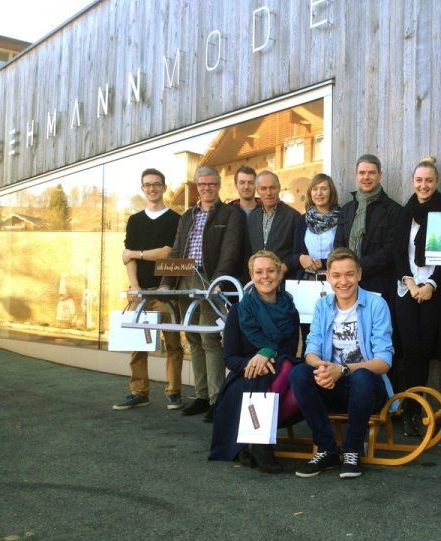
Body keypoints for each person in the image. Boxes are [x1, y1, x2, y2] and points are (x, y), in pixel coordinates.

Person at [288, 248, 394, 479]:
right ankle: (327, 449)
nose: (343, 281)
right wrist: (323, 368)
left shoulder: (376, 305)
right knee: (299, 373)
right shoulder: (323, 306)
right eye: (336, 275)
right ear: (328, 277)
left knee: (362, 376)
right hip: (332, 385)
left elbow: (384, 361)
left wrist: (343, 369)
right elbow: (311, 350)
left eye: (349, 274)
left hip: (367, 390)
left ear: (359, 275)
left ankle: (352, 450)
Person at [159, 166, 245, 423]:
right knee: (193, 337)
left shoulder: (231, 214)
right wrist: (165, 282)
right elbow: (176, 251)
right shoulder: (186, 216)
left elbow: (230, 249)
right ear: (197, 187)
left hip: (210, 280)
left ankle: (217, 400)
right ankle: (201, 395)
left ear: (218, 186)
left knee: (209, 338)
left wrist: (218, 281)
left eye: (211, 184)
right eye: (202, 184)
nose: (207, 188)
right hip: (185, 279)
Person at [209, 250, 300, 473]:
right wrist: (253, 362)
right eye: (258, 272)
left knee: (293, 369)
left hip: (278, 372)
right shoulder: (239, 310)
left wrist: (267, 353)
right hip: (245, 376)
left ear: (280, 274)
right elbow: (230, 358)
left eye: (271, 271)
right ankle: (260, 443)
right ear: (252, 275)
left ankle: (256, 439)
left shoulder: (291, 310)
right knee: (272, 374)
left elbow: (287, 352)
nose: (265, 276)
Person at [394, 156, 441, 436]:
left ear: (436, 182)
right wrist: (410, 282)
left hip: (434, 289)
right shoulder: (403, 213)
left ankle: (416, 409)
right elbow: (397, 253)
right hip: (406, 288)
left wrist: (430, 284)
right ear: (412, 182)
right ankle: (410, 410)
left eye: (429, 180)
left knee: (425, 350)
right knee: (409, 350)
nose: (423, 185)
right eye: (419, 180)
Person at [113, 168, 183, 411]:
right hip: (140, 291)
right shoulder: (134, 221)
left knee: (173, 344)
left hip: (166, 290)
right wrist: (134, 286)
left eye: (156, 184)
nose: (152, 188)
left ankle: (174, 393)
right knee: (138, 345)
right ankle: (138, 392)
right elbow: (126, 257)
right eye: (147, 185)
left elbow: (167, 253)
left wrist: (138, 253)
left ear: (164, 187)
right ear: (142, 189)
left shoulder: (175, 219)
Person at [335, 154, 402, 302]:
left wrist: (357, 268)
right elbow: (338, 244)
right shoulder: (346, 209)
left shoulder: (394, 210)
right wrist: (348, 271)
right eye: (362, 173)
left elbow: (390, 250)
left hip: (379, 285)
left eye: (371, 172)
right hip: (346, 285)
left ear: (380, 175)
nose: (366, 177)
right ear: (356, 175)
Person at [246, 170, 301, 275]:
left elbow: (298, 253)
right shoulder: (252, 218)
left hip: (285, 278)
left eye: (272, 188)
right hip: (258, 280)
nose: (268, 193)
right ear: (257, 190)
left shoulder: (293, 216)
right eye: (263, 188)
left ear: (279, 188)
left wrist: (285, 267)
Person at [290, 173, 341, 280]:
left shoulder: (343, 218)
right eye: (315, 189)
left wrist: (322, 263)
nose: (319, 193)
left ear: (331, 192)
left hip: (335, 279)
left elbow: (345, 253)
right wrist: (300, 258)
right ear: (310, 193)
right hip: (308, 279)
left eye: (324, 189)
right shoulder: (303, 220)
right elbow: (294, 254)